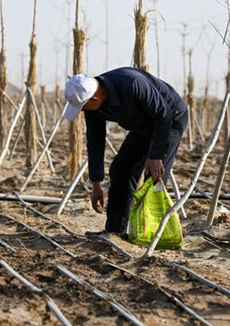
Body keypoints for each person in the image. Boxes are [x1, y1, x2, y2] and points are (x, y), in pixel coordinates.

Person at [63, 67, 188, 236]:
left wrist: (155, 155)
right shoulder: (93, 105)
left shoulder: (132, 83)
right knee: (121, 169)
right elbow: (95, 140)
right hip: (142, 125)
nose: (82, 111)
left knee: (154, 177)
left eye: (83, 107)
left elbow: (163, 115)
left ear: (94, 98)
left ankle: (152, 235)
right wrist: (96, 182)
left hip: (170, 119)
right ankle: (115, 230)